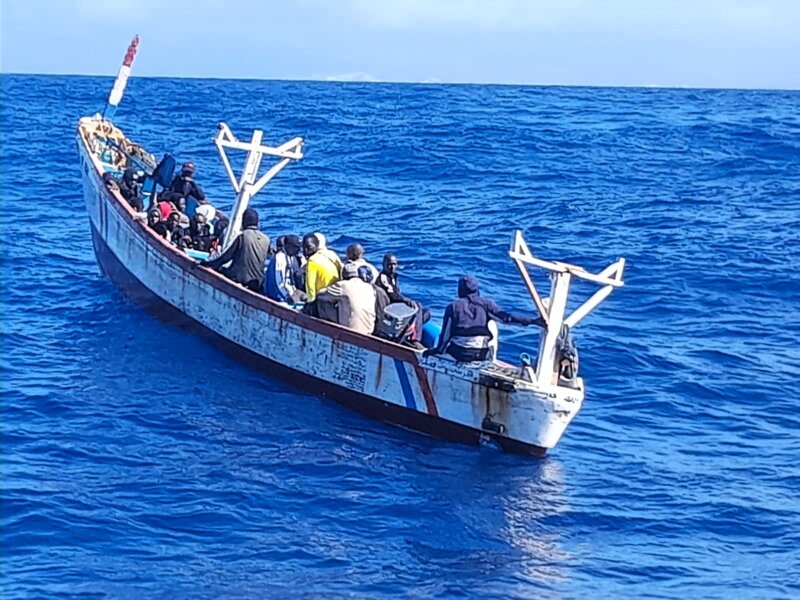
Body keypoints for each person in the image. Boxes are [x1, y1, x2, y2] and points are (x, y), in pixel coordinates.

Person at [425, 275, 544, 363]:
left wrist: (437, 351)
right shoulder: (486, 304)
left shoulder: (453, 306)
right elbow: (507, 318)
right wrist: (533, 321)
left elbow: (445, 336)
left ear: (460, 290)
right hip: (481, 354)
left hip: (460, 353)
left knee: (441, 345)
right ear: (477, 290)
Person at [201, 208, 270, 292]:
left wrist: (205, 263)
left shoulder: (242, 236)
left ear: (243, 222)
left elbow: (224, 257)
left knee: (221, 269)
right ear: (257, 223)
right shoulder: (266, 239)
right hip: (258, 283)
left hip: (239, 280)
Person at [376, 253, 430, 340]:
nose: (392, 267)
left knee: (426, 313)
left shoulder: (394, 277)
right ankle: (415, 339)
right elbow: (392, 295)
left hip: (397, 307)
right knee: (418, 305)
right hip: (390, 310)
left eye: (394, 264)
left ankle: (408, 330)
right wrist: (405, 300)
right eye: (389, 265)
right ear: (383, 265)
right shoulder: (383, 277)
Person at [316, 263, 378, 335]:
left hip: (351, 330)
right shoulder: (369, 287)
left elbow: (320, 295)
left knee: (322, 304)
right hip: (369, 330)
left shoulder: (343, 285)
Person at [264, 234, 305, 303]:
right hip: (279, 296)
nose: (298, 250)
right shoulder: (280, 258)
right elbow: (279, 281)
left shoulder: (290, 256)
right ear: (288, 246)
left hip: (289, 291)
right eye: (296, 248)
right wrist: (287, 297)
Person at [302, 233, 340, 303]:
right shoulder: (332, 254)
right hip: (337, 297)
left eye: (308, 248)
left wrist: (311, 304)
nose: (305, 250)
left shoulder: (312, 260)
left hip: (323, 300)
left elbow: (310, 287)